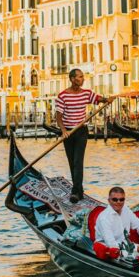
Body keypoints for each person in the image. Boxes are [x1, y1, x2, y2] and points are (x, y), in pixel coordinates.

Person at [55, 68, 112, 202]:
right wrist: (63, 131)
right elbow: (58, 117)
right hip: (68, 132)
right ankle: (79, 191)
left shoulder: (86, 93)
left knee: (78, 161)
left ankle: (75, 192)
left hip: (81, 131)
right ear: (73, 79)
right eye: (80, 77)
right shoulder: (62, 96)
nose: (83, 79)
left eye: (82, 77)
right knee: (71, 162)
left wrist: (106, 100)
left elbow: (97, 98)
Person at [95, 186, 139, 256]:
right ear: (109, 200)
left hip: (126, 245)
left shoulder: (126, 210)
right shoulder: (104, 218)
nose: (118, 202)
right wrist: (136, 248)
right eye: (115, 199)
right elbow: (111, 244)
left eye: (121, 199)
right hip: (109, 249)